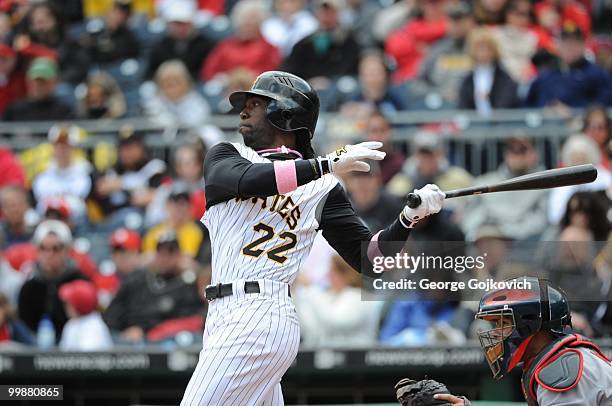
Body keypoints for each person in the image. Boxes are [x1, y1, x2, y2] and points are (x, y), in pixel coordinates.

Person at [180, 70, 445, 405]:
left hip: (261, 313)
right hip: (223, 314)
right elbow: (250, 180)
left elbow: (370, 260)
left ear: (286, 114)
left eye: (256, 104)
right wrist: (326, 163)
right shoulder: (227, 155)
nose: (244, 111)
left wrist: (408, 218)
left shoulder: (323, 188)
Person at [433, 277, 612, 405]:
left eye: (503, 324)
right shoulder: (560, 357)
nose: (496, 333)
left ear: (530, 324)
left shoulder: (561, 369)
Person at [103, 232, 204, 344]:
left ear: (179, 255)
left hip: (167, 341)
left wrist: (143, 330)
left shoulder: (188, 283)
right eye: (161, 253)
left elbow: (194, 320)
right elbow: (111, 315)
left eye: (171, 252)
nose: (165, 258)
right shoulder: (139, 279)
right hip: (128, 339)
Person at [461, 136, 548, 241]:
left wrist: (504, 233)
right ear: (506, 154)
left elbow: (540, 223)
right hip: (485, 241)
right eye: (512, 149)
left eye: (522, 149)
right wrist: (484, 231)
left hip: (524, 246)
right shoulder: (483, 182)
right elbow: (470, 220)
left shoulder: (544, 185)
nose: (516, 155)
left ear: (534, 154)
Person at [17, 220, 89, 338]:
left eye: (56, 248)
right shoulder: (29, 286)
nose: (49, 254)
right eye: (43, 248)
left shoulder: (80, 282)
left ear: (67, 250)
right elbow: (24, 327)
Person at [525, 25, 612, 108]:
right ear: (557, 45)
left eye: (575, 43)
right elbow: (527, 106)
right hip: (546, 123)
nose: (570, 47)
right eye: (565, 43)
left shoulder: (597, 74)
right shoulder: (545, 76)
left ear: (583, 45)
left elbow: (605, 104)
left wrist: (573, 112)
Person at [200, 0, 280, 81]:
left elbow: (270, 76)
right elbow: (208, 72)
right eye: (245, 21)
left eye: (252, 23)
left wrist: (246, 78)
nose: (248, 24)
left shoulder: (269, 49)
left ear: (260, 24)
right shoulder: (225, 46)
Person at [281, 0, 360, 81]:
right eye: (323, 12)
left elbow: (351, 71)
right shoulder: (304, 44)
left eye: (330, 12)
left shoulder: (349, 43)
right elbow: (289, 69)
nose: (326, 16)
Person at [32, 125, 92, 226]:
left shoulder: (87, 172)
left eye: (66, 146)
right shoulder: (42, 175)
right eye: (58, 146)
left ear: (74, 148)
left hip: (77, 225)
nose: (62, 151)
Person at [145, 0, 214, 80]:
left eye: (185, 23)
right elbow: (150, 74)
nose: (182, 28)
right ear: (169, 24)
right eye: (177, 23)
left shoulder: (206, 46)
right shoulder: (159, 46)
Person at [458, 28, 520, 115]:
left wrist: (488, 99)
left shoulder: (504, 78)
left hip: (500, 125)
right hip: (474, 125)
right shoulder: (467, 80)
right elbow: (464, 106)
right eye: (479, 48)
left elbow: (506, 103)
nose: (483, 53)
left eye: (487, 48)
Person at [142, 60, 211, 129]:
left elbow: (197, 122)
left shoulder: (196, 101)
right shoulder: (154, 102)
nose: (171, 84)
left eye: (176, 80)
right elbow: (153, 122)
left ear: (185, 82)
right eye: (166, 81)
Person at [3, 57, 74, 121]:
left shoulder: (64, 111)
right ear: (28, 81)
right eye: (35, 81)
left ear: (55, 82)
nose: (39, 85)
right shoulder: (15, 109)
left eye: (44, 82)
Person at [58, 280, 113, 351]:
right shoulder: (71, 324)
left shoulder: (94, 327)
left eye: (69, 303)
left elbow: (87, 359)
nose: (66, 307)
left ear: (80, 304)